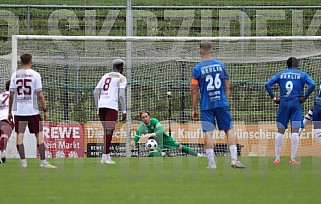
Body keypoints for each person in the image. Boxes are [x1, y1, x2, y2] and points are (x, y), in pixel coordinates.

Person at [191, 41, 245, 169]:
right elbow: (227, 86)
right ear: (212, 51)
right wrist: (225, 101)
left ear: (200, 51)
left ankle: (212, 163)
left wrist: (193, 109)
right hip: (221, 102)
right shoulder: (221, 66)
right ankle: (234, 160)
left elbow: (194, 90)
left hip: (206, 105)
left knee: (208, 132)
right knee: (229, 129)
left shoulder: (197, 69)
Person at [8, 53, 56, 168]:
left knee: (20, 136)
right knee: (39, 135)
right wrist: (45, 109)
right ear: (31, 61)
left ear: (21, 62)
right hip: (33, 111)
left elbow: (11, 95)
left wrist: (10, 111)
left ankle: (23, 163)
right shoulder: (35, 75)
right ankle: (43, 162)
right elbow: (40, 95)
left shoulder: (15, 75)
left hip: (19, 111)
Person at [265, 57, 315, 165]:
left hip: (283, 103)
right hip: (296, 104)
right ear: (297, 65)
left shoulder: (280, 74)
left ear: (286, 65)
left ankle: (277, 159)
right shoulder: (302, 74)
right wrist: (305, 97)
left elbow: (267, 84)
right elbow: (312, 85)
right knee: (295, 131)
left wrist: (274, 98)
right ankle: (292, 159)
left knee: (280, 130)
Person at [93, 59, 127, 164]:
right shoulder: (121, 78)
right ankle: (104, 157)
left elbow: (95, 92)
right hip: (111, 105)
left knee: (107, 132)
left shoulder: (105, 76)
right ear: (121, 67)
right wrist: (124, 110)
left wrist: (98, 107)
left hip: (102, 105)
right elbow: (121, 95)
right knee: (109, 131)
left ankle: (107, 156)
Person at [130, 110, 203, 157]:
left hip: (164, 138)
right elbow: (137, 135)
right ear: (141, 119)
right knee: (152, 155)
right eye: (143, 117)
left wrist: (151, 134)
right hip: (156, 143)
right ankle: (164, 153)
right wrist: (134, 141)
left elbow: (160, 131)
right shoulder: (141, 127)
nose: (145, 119)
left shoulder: (154, 121)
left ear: (149, 116)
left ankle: (198, 155)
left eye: (146, 116)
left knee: (180, 147)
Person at [0, 80, 14, 163]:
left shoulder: (1, 95)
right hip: (8, 117)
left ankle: (3, 152)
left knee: (2, 135)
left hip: (0, 116)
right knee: (4, 135)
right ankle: (2, 151)